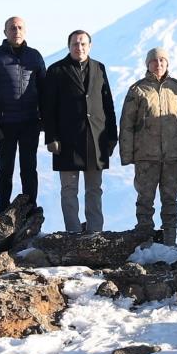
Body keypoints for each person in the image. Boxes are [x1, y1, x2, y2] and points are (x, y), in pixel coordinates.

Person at [42, 30, 117, 234]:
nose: (79, 47)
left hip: (95, 138)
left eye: (83, 43)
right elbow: (47, 108)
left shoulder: (99, 68)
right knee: (69, 190)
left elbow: (107, 104)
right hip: (66, 140)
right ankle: (73, 233)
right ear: (69, 46)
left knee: (94, 189)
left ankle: (95, 233)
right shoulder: (56, 70)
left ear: (90, 46)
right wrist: (51, 137)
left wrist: (112, 136)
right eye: (75, 44)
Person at [119, 47, 177, 245]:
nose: (159, 64)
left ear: (168, 63)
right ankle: (145, 241)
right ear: (147, 64)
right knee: (145, 201)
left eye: (162, 60)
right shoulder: (137, 90)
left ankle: (170, 241)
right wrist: (127, 155)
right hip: (146, 156)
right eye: (154, 60)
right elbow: (126, 124)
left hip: (173, 156)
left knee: (171, 200)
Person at [0, 16, 46, 214]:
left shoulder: (34, 56)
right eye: (12, 28)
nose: (16, 31)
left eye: (20, 28)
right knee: (5, 169)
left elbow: (45, 90)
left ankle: (30, 209)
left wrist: (45, 119)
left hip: (30, 122)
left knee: (29, 168)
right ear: (5, 32)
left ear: (25, 31)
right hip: (4, 123)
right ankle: (3, 209)